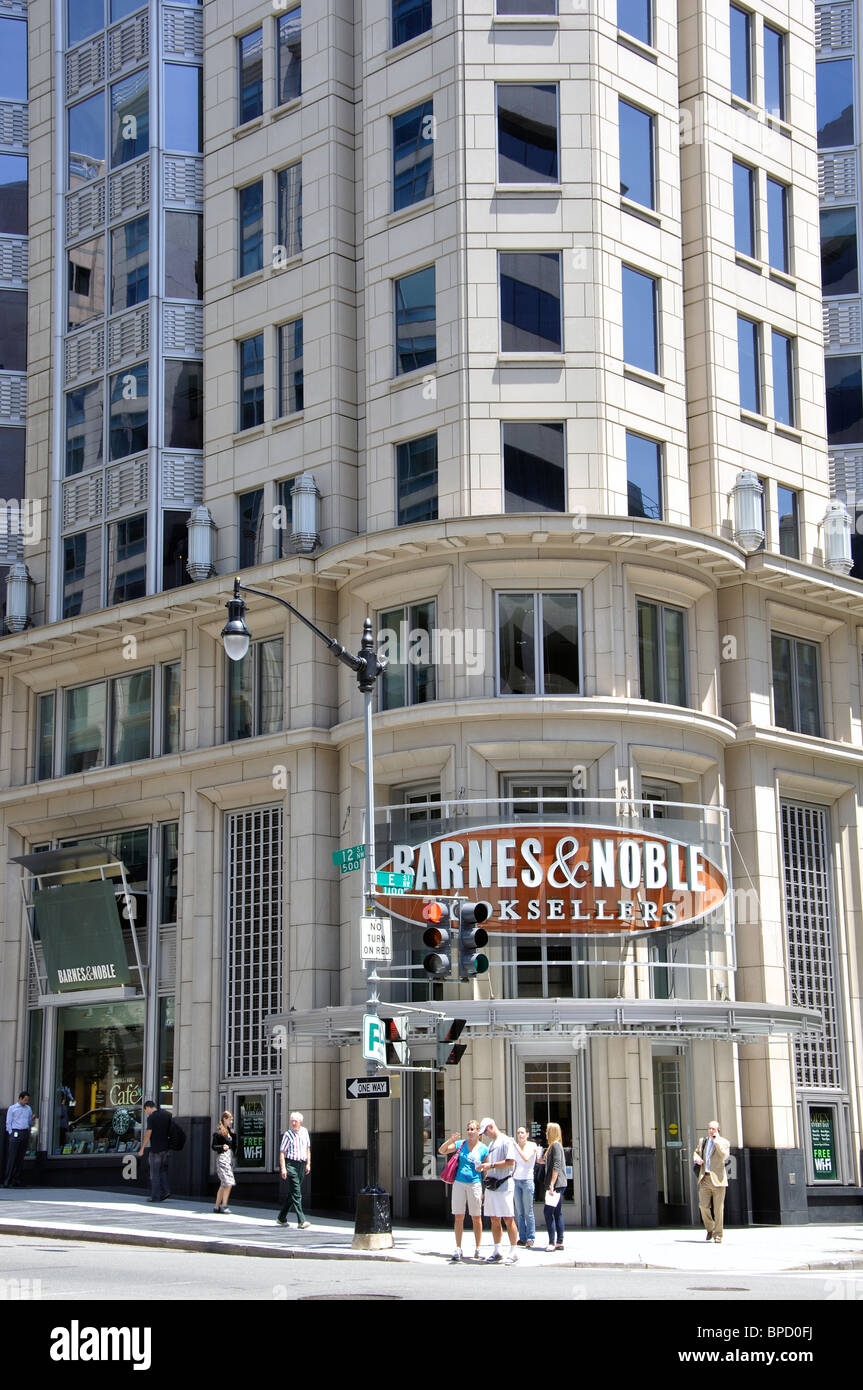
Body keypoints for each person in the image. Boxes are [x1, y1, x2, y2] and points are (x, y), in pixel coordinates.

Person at [438, 1120, 488, 1263]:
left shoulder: (483, 1148)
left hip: (475, 1183)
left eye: (472, 1129)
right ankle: (458, 1247)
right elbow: (442, 1150)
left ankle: (478, 1248)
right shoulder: (461, 1144)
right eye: (468, 1129)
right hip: (459, 1182)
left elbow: (487, 1167)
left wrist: (484, 1173)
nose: (470, 1132)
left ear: (478, 1132)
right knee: (458, 1216)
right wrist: (451, 1140)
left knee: (476, 1217)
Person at [478, 1118, 519, 1264]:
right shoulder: (491, 1144)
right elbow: (490, 1164)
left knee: (508, 1218)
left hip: (505, 1184)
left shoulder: (506, 1141)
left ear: (491, 1126)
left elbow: (510, 1162)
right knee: (494, 1218)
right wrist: (485, 1167)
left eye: (486, 1131)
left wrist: (491, 1165)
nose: (486, 1134)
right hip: (492, 1185)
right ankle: (497, 1250)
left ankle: (513, 1251)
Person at [693, 1118, 730, 1243]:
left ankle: (718, 1235)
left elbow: (725, 1155)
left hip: (718, 1180)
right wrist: (697, 1159)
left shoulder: (723, 1142)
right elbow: (696, 1152)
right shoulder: (703, 1141)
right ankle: (710, 1227)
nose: (710, 1131)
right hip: (705, 1178)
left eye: (713, 1129)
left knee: (718, 1209)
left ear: (718, 1129)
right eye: (709, 1128)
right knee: (703, 1206)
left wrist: (717, 1141)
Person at [277, 1111, 312, 1228]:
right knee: (297, 1193)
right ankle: (301, 1220)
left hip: (301, 1164)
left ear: (300, 1122)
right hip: (291, 1164)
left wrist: (308, 1163)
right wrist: (283, 1168)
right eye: (292, 1120)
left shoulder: (304, 1132)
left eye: (295, 1121)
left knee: (293, 1193)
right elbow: (282, 1152)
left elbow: (308, 1148)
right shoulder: (288, 1135)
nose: (293, 1123)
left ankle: (282, 1217)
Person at [137, 1100, 172, 1202]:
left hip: (156, 1149)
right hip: (166, 1148)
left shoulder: (151, 1118)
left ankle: (155, 1196)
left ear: (148, 1107)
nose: (146, 1113)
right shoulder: (166, 1115)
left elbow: (148, 1133)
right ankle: (166, 1191)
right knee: (162, 1170)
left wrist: (142, 1148)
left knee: (154, 1172)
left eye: (145, 1110)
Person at [513, 1125, 540, 1247]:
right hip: (516, 1180)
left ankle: (530, 1237)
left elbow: (525, 1158)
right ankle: (522, 1237)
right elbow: (514, 1163)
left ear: (527, 1134)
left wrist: (516, 1146)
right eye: (518, 1133)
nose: (520, 1135)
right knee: (519, 1212)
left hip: (527, 1180)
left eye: (522, 1132)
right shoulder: (516, 1147)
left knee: (528, 1211)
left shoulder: (532, 1146)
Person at [543, 1122, 567, 1251]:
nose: (546, 1134)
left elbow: (556, 1165)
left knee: (548, 1212)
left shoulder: (556, 1146)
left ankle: (552, 1242)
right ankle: (559, 1241)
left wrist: (552, 1184)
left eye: (547, 1131)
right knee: (557, 1212)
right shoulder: (553, 1146)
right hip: (558, 1184)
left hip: (556, 1185)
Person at [3, 1091, 34, 1188]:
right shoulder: (12, 1108)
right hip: (15, 1132)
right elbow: (8, 1122)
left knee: (20, 1157)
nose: (26, 1102)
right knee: (12, 1157)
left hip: (24, 1132)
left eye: (27, 1100)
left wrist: (32, 1121)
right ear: (20, 1098)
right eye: (25, 1100)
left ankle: (17, 1179)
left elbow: (29, 1121)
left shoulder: (28, 1109)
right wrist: (11, 1133)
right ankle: (7, 1179)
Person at [211, 1110, 237, 1213]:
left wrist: (234, 1136)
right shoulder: (218, 1133)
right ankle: (224, 1205)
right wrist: (222, 1147)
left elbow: (234, 1146)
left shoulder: (230, 1131)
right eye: (230, 1120)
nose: (231, 1122)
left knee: (224, 1183)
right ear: (224, 1119)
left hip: (228, 1159)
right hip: (222, 1159)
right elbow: (214, 1146)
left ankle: (217, 1206)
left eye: (232, 1120)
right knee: (228, 1182)